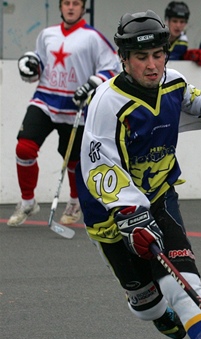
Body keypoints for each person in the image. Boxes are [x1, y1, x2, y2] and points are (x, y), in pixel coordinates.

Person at [76, 10, 201, 339]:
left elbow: (199, 104)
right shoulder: (107, 102)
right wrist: (129, 211)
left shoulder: (173, 82)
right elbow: (99, 168)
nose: (152, 65)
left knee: (184, 281)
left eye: (158, 55)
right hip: (110, 211)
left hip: (160, 196)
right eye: (141, 57)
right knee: (148, 303)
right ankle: (154, 309)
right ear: (124, 59)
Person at [9, 0, 119, 227]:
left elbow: (112, 68)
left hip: (75, 106)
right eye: (66, 3)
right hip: (45, 100)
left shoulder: (93, 37)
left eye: (76, 3)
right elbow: (40, 62)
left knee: (74, 160)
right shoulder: (47, 34)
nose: (70, 7)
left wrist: (92, 84)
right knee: (24, 148)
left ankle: (74, 201)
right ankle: (27, 202)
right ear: (60, 7)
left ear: (83, 8)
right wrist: (30, 65)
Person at [164, 1, 201, 66]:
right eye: (174, 21)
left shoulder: (183, 41)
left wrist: (189, 56)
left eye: (182, 22)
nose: (178, 25)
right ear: (167, 21)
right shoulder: (157, 38)